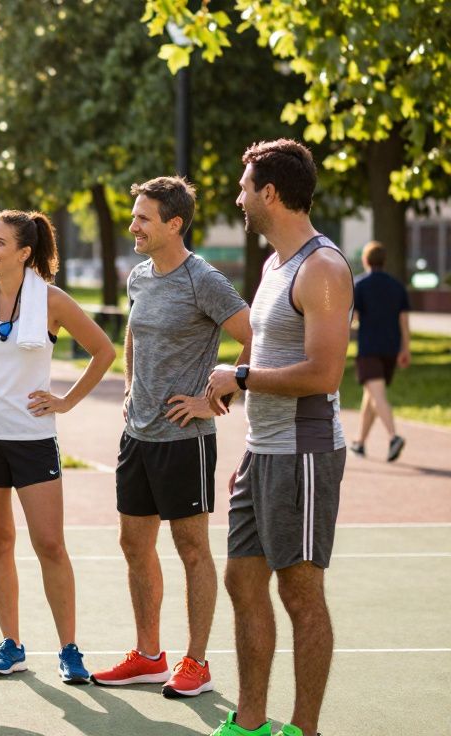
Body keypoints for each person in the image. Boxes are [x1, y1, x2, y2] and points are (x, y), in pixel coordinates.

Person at [204, 139, 351, 736]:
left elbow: (324, 373)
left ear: (269, 193)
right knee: (242, 580)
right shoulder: (274, 267)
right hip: (265, 453)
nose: (239, 197)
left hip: (305, 453)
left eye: (244, 187)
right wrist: (251, 446)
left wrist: (237, 375)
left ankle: (304, 729)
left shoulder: (323, 268)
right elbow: (272, 357)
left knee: (300, 592)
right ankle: (251, 722)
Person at [89, 177, 251, 699]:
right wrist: (134, 386)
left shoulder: (203, 278)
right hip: (138, 435)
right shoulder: (140, 275)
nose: (133, 225)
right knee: (134, 543)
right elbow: (134, 332)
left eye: (143, 218)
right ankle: (149, 656)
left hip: (186, 438)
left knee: (191, 548)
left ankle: (197, 663)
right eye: (134, 216)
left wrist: (216, 399)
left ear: (174, 224)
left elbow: (257, 337)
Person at [0, 209, 115, 686]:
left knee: (50, 544)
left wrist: (66, 401)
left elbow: (104, 351)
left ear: (24, 252)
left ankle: (69, 649)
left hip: (32, 440)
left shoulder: (53, 300)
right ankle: (11, 645)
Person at [349, 240, 410, 461]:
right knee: (372, 394)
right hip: (391, 349)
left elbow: (353, 318)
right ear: (384, 261)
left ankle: (393, 437)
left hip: (369, 348)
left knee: (377, 395)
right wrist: (406, 348)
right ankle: (360, 443)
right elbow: (404, 321)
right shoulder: (397, 286)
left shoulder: (360, 285)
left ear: (366, 260)